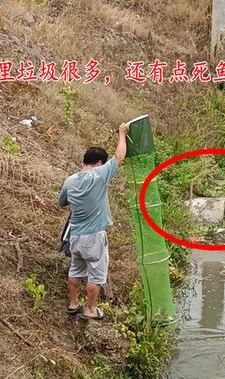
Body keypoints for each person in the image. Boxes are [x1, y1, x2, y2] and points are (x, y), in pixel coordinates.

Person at [58, 122, 130, 320]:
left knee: (76, 269)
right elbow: (120, 156)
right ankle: (90, 310)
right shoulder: (99, 175)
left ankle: (73, 304)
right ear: (99, 163)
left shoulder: (70, 180)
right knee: (96, 275)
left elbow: (61, 202)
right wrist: (122, 133)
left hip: (76, 235)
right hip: (95, 236)